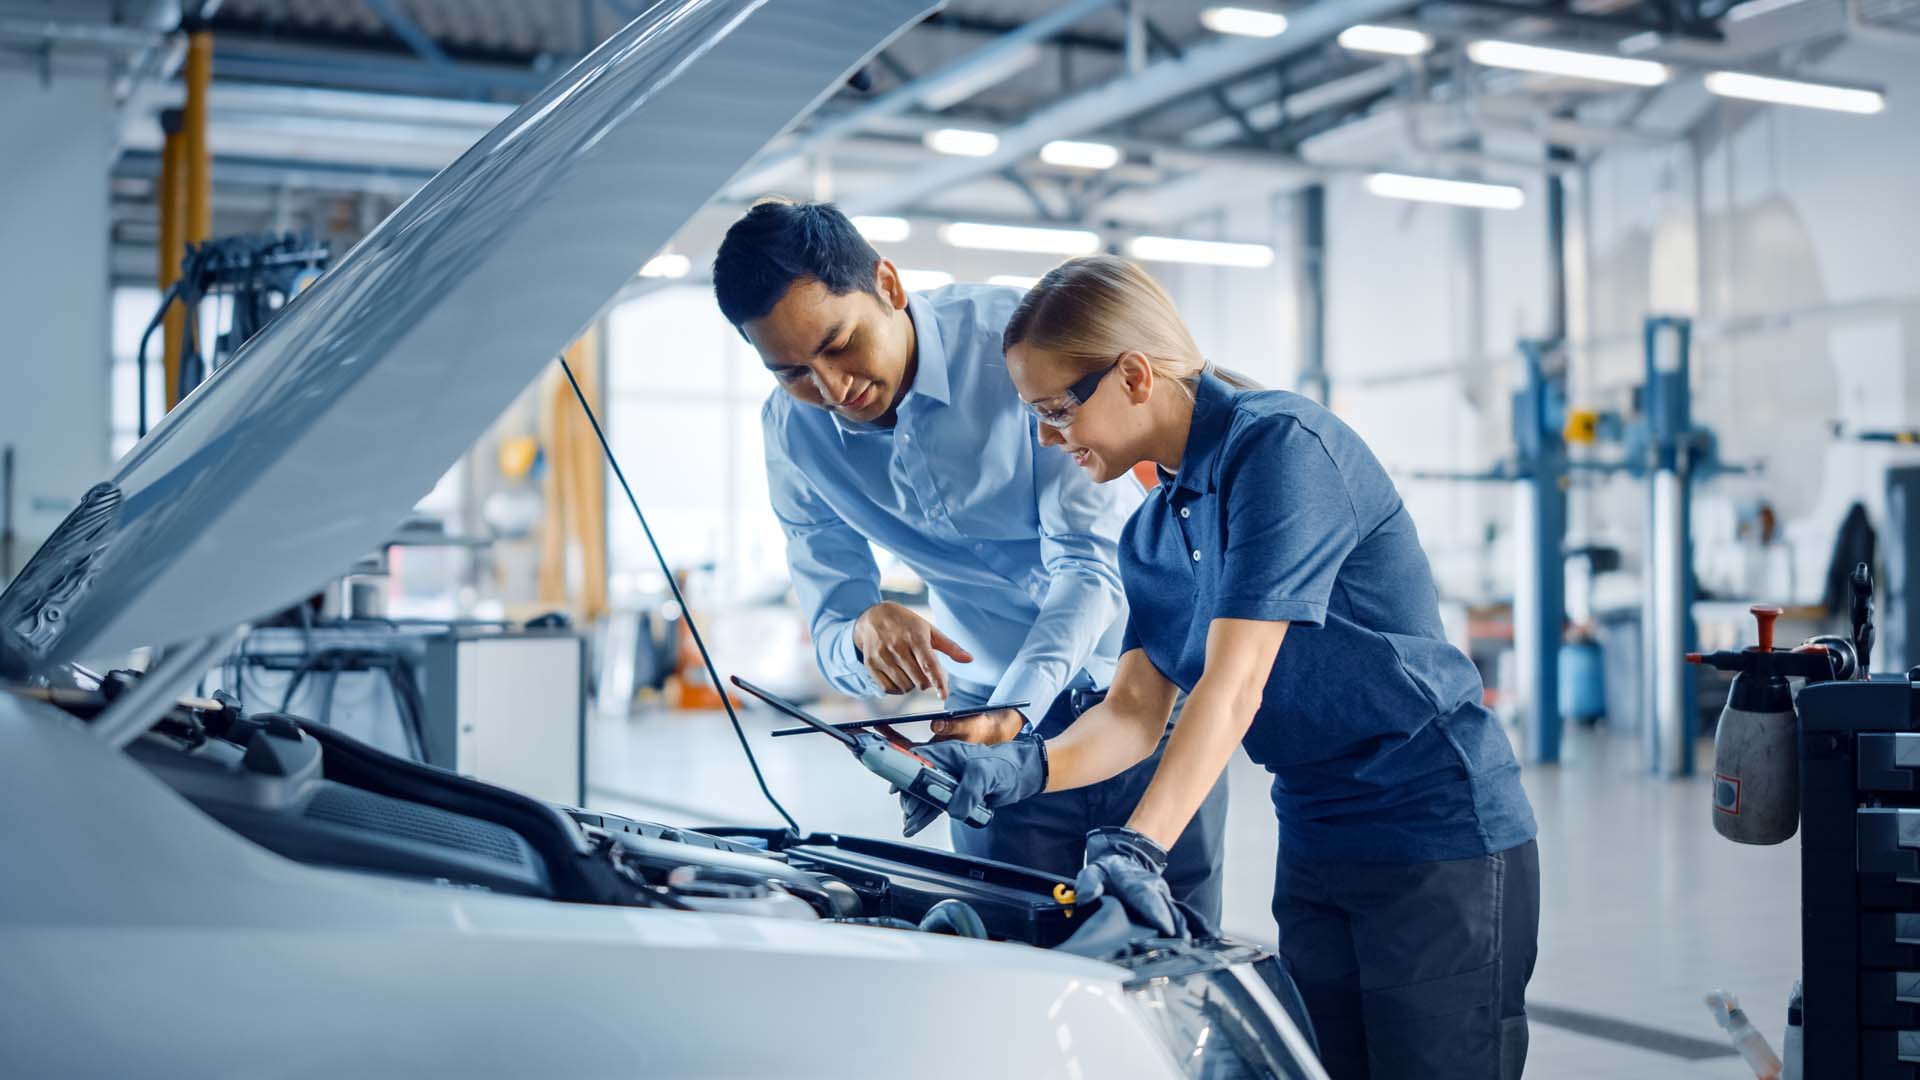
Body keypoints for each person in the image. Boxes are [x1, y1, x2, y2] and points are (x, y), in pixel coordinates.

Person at [904, 255, 1540, 1080]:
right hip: (1316, 830)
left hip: (1434, 827)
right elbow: (1135, 710)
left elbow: (1232, 685)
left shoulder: (1278, 451)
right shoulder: (1153, 529)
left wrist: (1137, 845)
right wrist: (1017, 768)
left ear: (1133, 374)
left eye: (1057, 409)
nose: (1046, 437)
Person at [710, 200, 1228, 922]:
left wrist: (1012, 713)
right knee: (1012, 954)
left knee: (1174, 948)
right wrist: (864, 633)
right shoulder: (795, 437)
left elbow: (1090, 564)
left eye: (839, 344)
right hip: (985, 727)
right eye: (792, 371)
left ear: (888, 285)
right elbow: (831, 626)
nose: (831, 390)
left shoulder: (1019, 346)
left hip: (1139, 697)